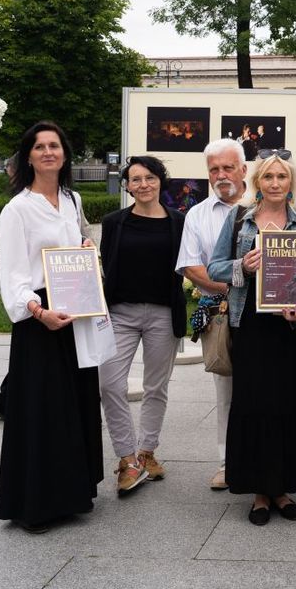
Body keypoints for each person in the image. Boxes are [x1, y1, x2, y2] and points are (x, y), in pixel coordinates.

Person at [0, 121, 103, 532]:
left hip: (74, 309)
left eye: (54, 145)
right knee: (41, 411)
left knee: (74, 406)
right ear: (29, 156)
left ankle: (72, 495)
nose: (47, 152)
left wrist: (86, 251)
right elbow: (14, 274)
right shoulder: (17, 209)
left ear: (64, 154)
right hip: (40, 318)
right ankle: (35, 505)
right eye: (39, 146)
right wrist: (38, 312)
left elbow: (73, 249)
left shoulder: (72, 199)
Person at [207, 153, 296, 525]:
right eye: (269, 177)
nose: (275, 183)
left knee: (287, 404)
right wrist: (243, 265)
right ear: (257, 181)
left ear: (291, 182)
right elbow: (214, 267)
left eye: (282, 177)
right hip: (251, 326)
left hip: (288, 329)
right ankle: (259, 491)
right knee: (254, 404)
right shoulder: (239, 220)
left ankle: (283, 487)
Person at [98, 156, 188, 496]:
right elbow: (105, 265)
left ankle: (147, 451)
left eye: (149, 178)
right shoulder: (113, 222)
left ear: (161, 181)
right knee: (109, 383)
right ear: (127, 185)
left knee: (156, 386)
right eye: (135, 180)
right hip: (120, 313)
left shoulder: (178, 222)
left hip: (163, 315)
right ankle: (127, 457)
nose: (143, 185)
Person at [175, 138, 248, 490]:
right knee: (226, 390)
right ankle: (226, 462)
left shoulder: (267, 203)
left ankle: (267, 459)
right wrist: (233, 291)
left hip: (268, 317)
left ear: (244, 169)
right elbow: (191, 266)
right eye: (214, 170)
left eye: (228, 167)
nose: (221, 175)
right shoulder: (198, 214)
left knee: (269, 386)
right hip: (221, 315)